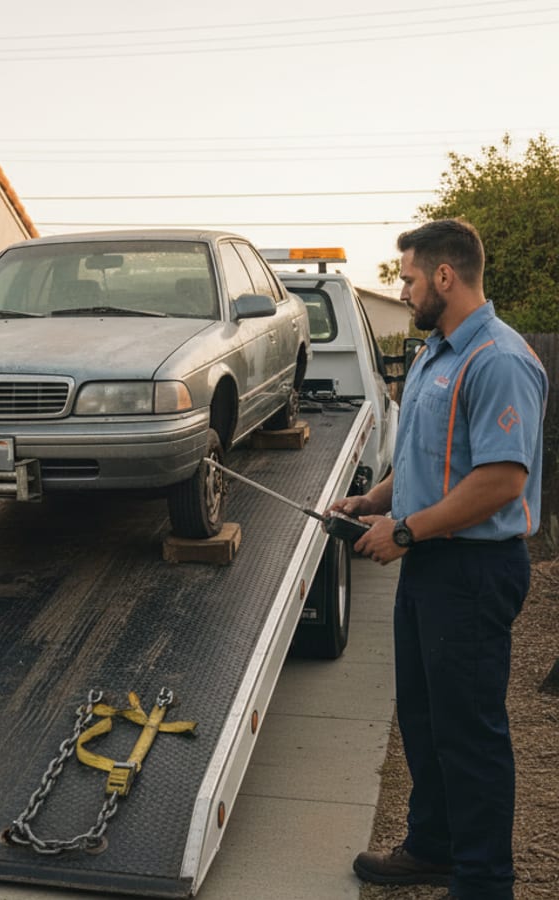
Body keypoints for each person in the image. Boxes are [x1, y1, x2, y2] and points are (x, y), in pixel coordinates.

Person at [333, 219, 546, 900]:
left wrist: (405, 533)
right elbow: (429, 456)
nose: (405, 289)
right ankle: (432, 847)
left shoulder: (500, 360)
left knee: (469, 731)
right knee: (424, 717)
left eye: (410, 278)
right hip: (431, 565)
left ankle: (485, 882)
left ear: (445, 277)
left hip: (473, 572)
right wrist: (373, 502)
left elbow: (499, 481)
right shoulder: (433, 353)